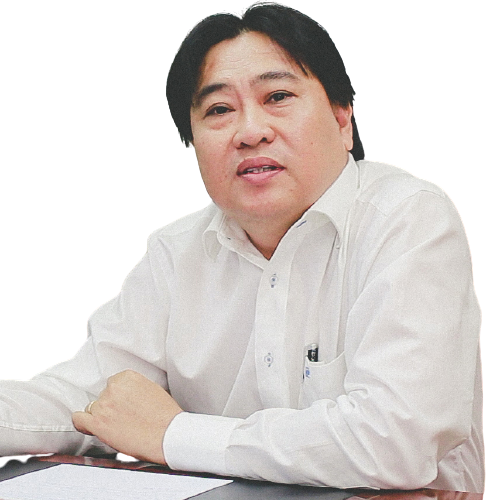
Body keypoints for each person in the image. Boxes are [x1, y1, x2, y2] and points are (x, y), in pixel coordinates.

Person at [0, 1, 484, 493]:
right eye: (219, 110)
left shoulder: (408, 219)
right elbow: (87, 398)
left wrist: (173, 435)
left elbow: (395, 441)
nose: (251, 132)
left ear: (343, 119)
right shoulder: (176, 251)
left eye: (278, 96)